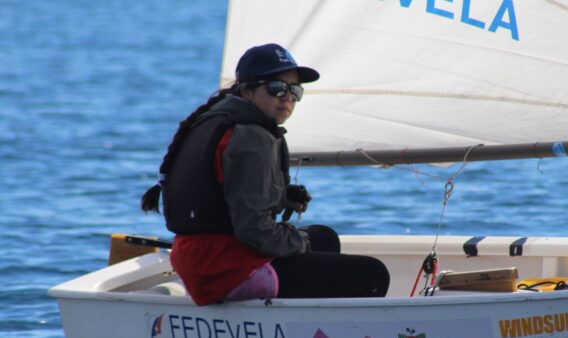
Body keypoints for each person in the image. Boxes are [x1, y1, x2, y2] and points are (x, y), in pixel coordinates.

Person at [140, 43, 390, 306]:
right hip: (226, 272)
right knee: (372, 274)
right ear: (247, 91)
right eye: (277, 88)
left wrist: (281, 198)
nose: (287, 97)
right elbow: (253, 231)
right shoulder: (251, 136)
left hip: (199, 260)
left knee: (324, 238)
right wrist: (299, 242)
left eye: (294, 90)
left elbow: (222, 198)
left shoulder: (219, 120)